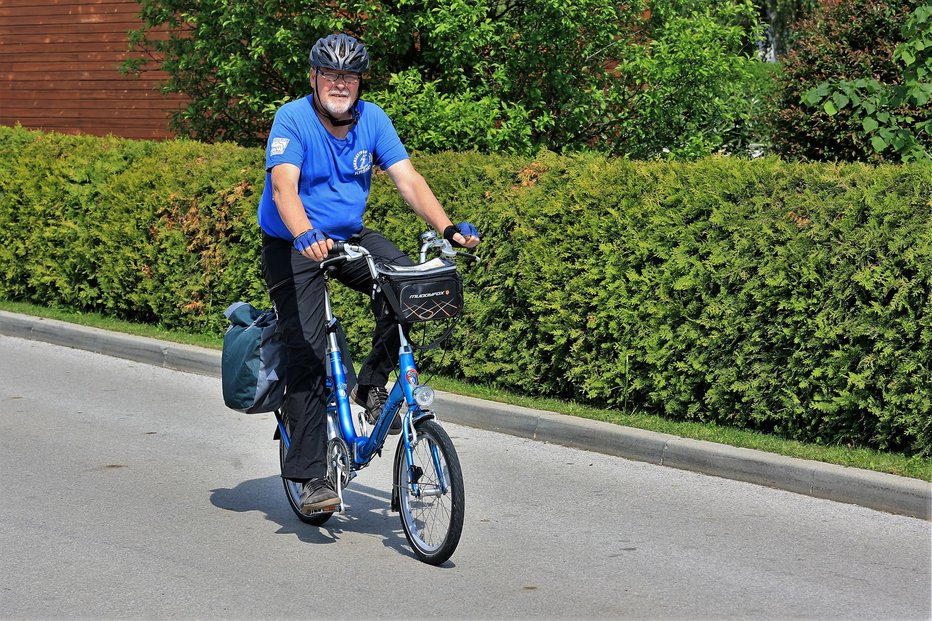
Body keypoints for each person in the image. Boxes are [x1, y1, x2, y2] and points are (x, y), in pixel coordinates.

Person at [257, 33, 480, 516]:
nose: (340, 84)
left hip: (347, 235)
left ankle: (371, 385)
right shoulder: (292, 119)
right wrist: (303, 235)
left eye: (349, 76)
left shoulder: (373, 120)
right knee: (308, 350)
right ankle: (311, 475)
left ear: (359, 83)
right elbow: (283, 190)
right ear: (314, 78)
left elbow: (408, 179)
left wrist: (447, 227)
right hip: (293, 243)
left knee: (409, 286)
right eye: (331, 75)